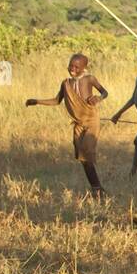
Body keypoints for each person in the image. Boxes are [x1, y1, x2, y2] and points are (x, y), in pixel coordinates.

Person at [26, 53, 109, 197]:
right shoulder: (66, 83)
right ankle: (97, 187)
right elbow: (57, 100)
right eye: (71, 66)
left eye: (77, 67)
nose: (73, 69)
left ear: (84, 68)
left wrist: (98, 98)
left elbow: (104, 92)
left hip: (91, 121)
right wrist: (37, 101)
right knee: (82, 157)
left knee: (87, 154)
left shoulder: (89, 79)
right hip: (78, 123)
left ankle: (97, 189)